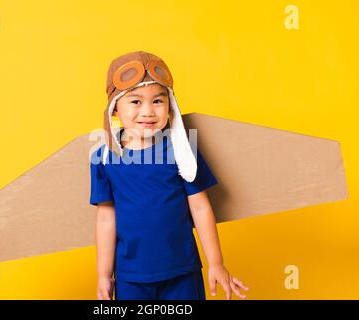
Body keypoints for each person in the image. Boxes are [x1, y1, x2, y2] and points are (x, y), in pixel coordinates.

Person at [89, 51, 249, 300]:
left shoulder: (182, 150)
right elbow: (106, 219)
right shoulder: (104, 157)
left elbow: (200, 208)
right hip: (131, 277)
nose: (148, 111)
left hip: (183, 271)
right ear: (115, 109)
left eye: (157, 101)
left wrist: (216, 263)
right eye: (135, 102)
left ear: (170, 107)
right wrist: (103, 274)